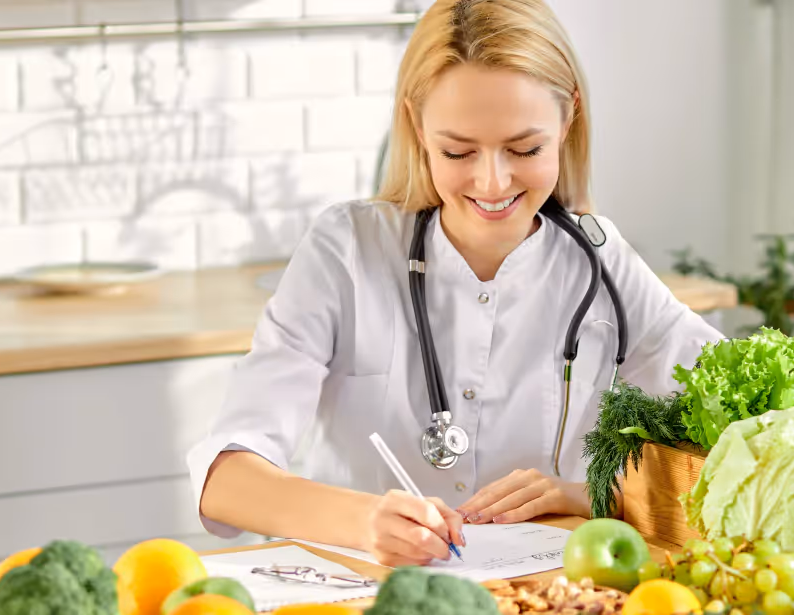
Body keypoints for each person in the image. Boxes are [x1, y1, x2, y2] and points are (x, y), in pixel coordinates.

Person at [187, 0, 724, 568]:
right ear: (417, 126)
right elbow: (225, 480)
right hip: (365, 588)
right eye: (458, 151)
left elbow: (743, 438)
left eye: (525, 149)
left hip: (536, 593)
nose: (492, 182)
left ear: (569, 118)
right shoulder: (346, 249)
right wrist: (362, 521)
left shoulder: (601, 261)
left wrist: (596, 495)